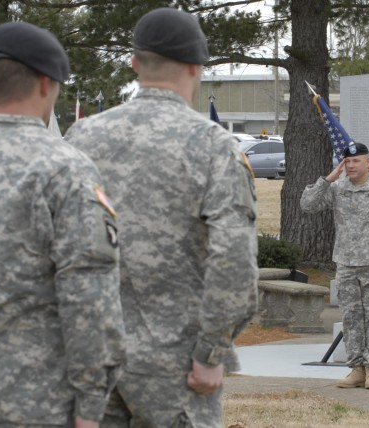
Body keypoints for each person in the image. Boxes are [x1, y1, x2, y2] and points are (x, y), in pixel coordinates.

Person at [65, 8, 259, 427]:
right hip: (176, 365)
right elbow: (234, 259)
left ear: (135, 63)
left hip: (92, 356)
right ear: (196, 67)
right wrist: (211, 353)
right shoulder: (214, 146)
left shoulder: (81, 136)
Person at [0, 22, 125, 427]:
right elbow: (88, 296)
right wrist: (90, 402)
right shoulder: (62, 168)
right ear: (46, 85)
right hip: (29, 400)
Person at [300, 142, 369, 389]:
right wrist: (329, 178)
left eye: (356, 161)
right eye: (347, 162)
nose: (350, 166)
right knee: (351, 318)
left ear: (367, 162)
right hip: (347, 264)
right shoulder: (337, 189)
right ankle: (356, 369)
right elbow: (307, 205)